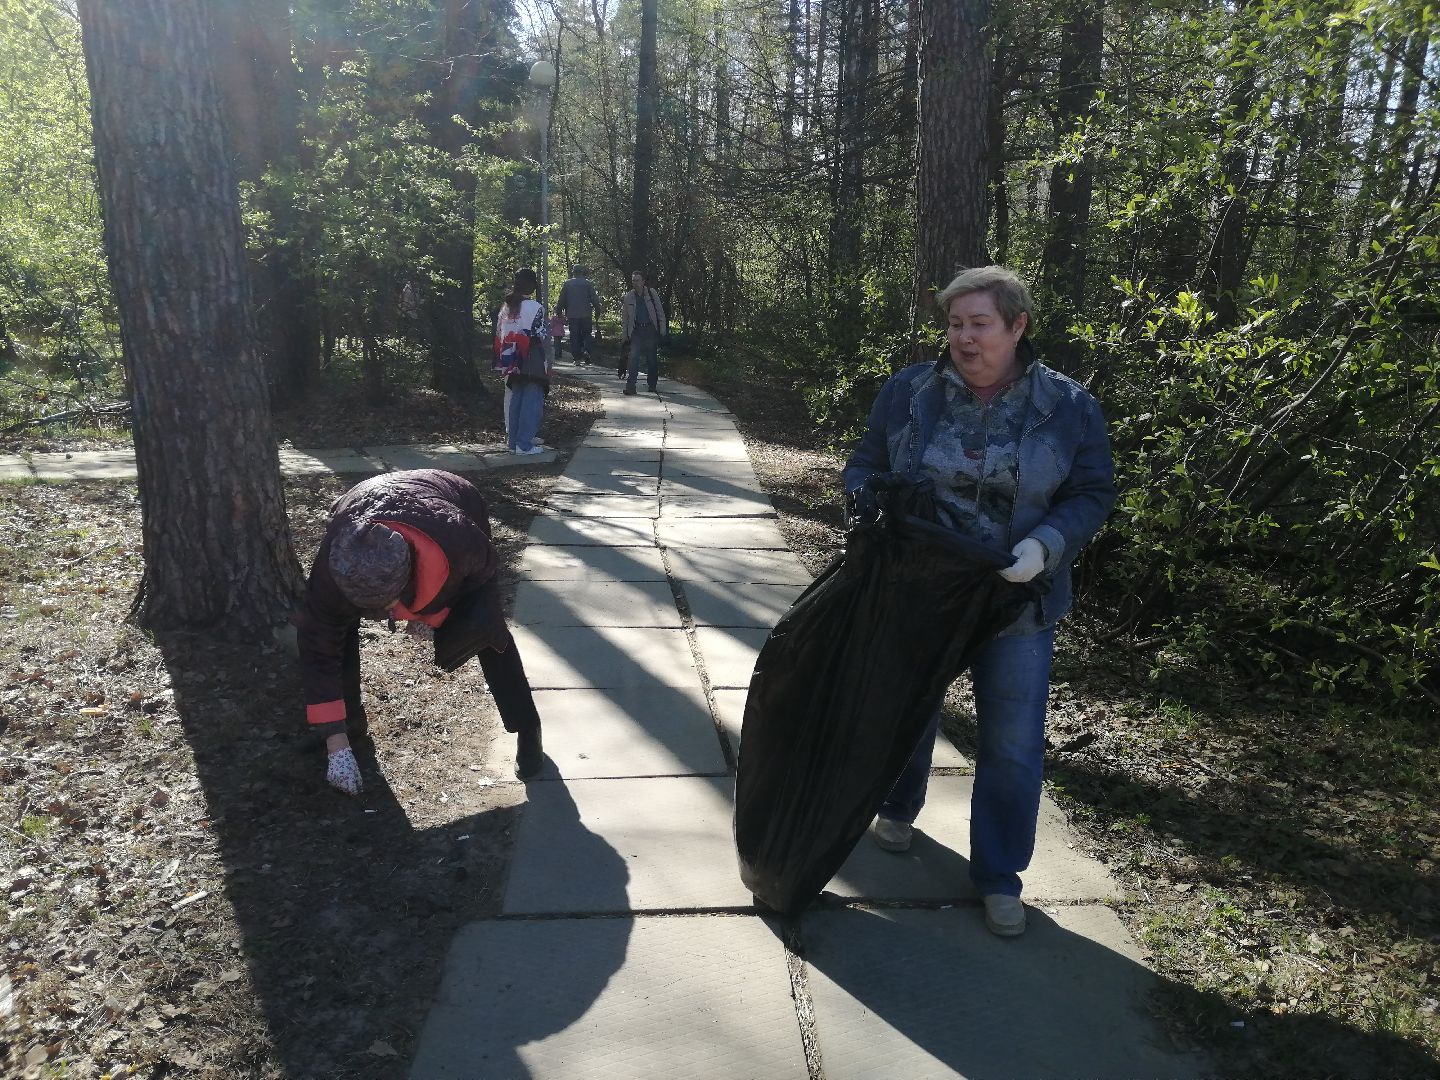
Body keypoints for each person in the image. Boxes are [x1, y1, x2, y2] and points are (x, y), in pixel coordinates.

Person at [842, 265, 1116, 937]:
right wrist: (870, 505)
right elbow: (865, 462)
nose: (964, 338)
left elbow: (1093, 492)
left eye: (979, 324)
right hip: (917, 591)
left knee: (1013, 743)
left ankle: (998, 875)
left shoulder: (1068, 406)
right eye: (955, 324)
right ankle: (898, 808)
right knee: (907, 711)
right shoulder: (910, 390)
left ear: (1017, 325)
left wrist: (1047, 544)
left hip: (1016, 604)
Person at [295, 469, 545, 795]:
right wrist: (334, 740)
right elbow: (319, 647)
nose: (380, 617)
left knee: (489, 635)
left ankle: (527, 726)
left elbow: (484, 573)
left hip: (451, 500)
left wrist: (434, 613)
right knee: (335, 632)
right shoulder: (333, 570)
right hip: (364, 499)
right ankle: (349, 729)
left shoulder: (459, 542)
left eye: (385, 606)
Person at [492, 268, 551, 455]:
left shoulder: (506, 306)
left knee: (516, 399)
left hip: (511, 358)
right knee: (532, 400)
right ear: (532, 286)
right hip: (531, 356)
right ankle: (524, 444)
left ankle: (513, 442)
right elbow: (542, 335)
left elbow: (499, 333)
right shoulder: (535, 307)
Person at [620, 270, 666, 395]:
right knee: (633, 358)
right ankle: (630, 387)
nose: (635, 283)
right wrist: (625, 335)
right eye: (633, 280)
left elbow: (660, 312)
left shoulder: (651, 293)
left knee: (651, 359)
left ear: (643, 281)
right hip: (636, 331)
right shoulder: (629, 296)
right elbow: (625, 318)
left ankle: (652, 385)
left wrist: (662, 330)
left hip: (650, 330)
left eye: (638, 280)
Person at [556, 265, 600, 363]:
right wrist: (598, 309)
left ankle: (577, 358)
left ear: (573, 272)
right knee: (587, 334)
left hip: (572, 315)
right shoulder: (588, 283)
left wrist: (559, 311)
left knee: (574, 336)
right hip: (586, 314)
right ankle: (587, 351)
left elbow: (562, 299)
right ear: (582, 272)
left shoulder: (568, 284)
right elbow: (594, 298)